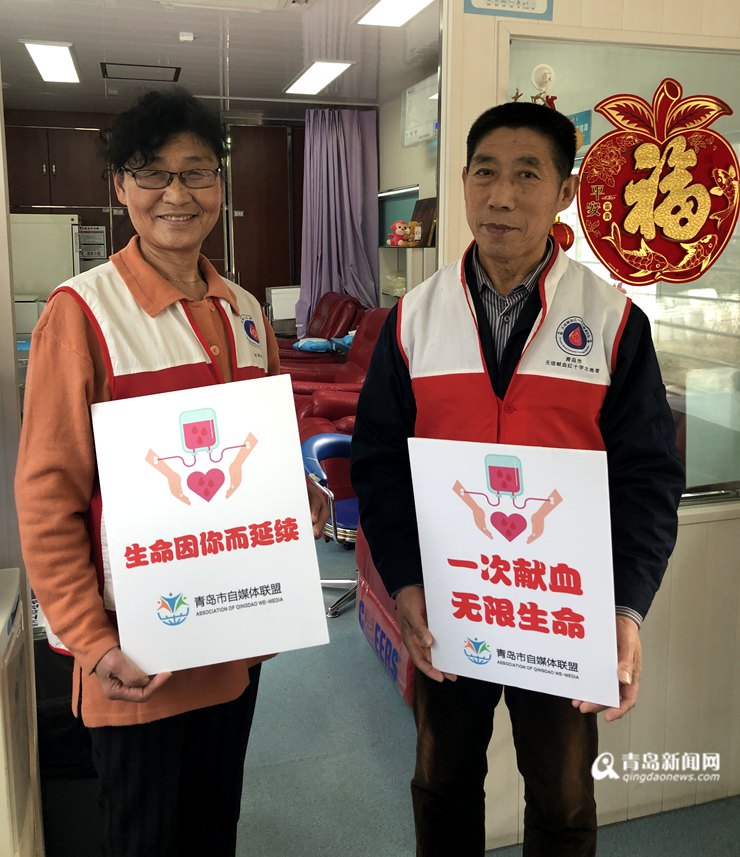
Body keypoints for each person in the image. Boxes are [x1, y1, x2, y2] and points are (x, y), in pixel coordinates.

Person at [351, 101, 684, 857]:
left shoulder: (611, 321)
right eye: (485, 173)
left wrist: (626, 608)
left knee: (563, 799)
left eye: (527, 175)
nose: (500, 196)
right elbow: (379, 463)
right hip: (453, 601)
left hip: (560, 609)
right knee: (442, 782)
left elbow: (647, 477)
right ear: (465, 182)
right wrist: (405, 582)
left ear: (564, 192)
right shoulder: (414, 320)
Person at [15, 88, 327, 857]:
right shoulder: (82, 313)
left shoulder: (245, 311)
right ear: (120, 186)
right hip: (137, 652)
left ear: (220, 184)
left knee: (214, 826)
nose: (176, 193)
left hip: (235, 637)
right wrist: (92, 642)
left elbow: (259, 454)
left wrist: (299, 494)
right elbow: (47, 496)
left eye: (196, 171)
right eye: (152, 173)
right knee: (145, 836)